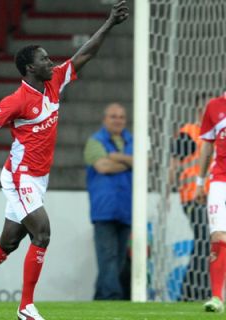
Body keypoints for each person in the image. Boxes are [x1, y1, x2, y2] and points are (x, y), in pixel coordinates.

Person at [0, 2, 129, 319]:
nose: (52, 62)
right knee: (43, 233)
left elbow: (84, 55)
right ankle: (26, 307)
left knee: (9, 241)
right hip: (20, 177)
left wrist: (109, 23)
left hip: (38, 177)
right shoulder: (17, 100)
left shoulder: (54, 81)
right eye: (45, 59)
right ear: (30, 68)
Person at [84, 103, 133, 300]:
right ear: (105, 119)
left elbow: (147, 162)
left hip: (127, 208)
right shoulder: (95, 141)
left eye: (121, 117)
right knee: (108, 258)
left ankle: (99, 300)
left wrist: (116, 157)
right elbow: (103, 166)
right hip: (104, 209)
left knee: (118, 260)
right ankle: (113, 298)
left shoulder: (133, 139)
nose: (118, 120)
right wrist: (131, 161)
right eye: (113, 116)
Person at [171, 94, 211, 301]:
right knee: (204, 239)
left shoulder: (218, 136)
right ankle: (193, 292)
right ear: (197, 108)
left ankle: (197, 291)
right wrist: (166, 196)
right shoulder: (190, 132)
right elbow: (174, 163)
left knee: (209, 242)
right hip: (193, 197)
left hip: (214, 199)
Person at [195, 93, 226, 313]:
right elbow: (206, 145)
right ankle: (216, 297)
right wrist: (199, 181)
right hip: (220, 180)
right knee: (218, 236)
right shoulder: (214, 106)